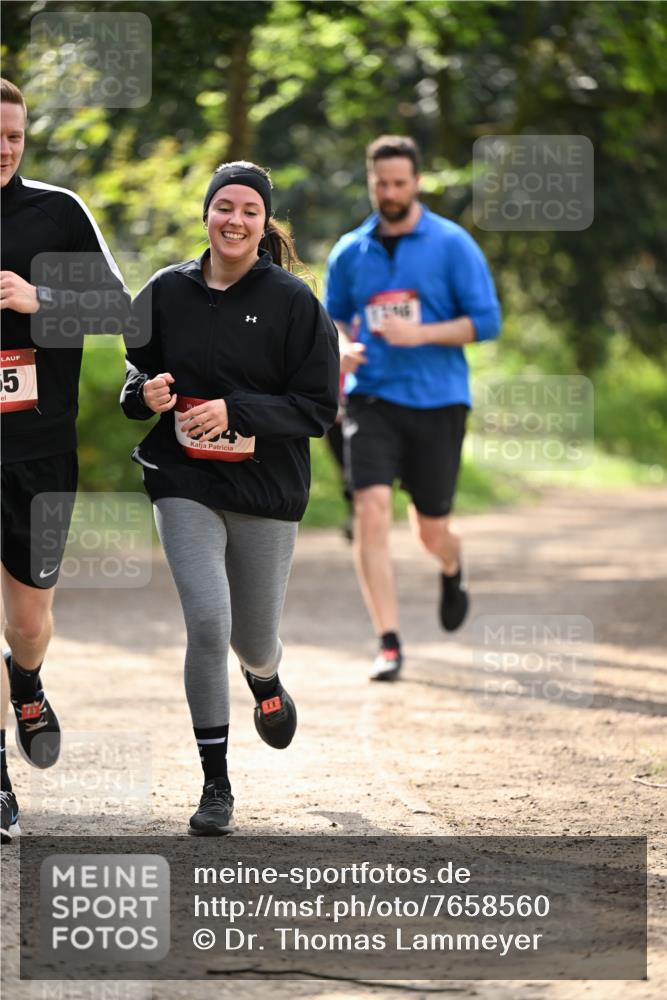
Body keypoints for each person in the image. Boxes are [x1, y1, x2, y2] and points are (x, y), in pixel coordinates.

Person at [121, 161, 339, 835]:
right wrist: (142, 395)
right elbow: (136, 374)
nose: (234, 220)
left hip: (265, 489)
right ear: (207, 214)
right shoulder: (165, 290)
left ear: (262, 222)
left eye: (248, 210)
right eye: (224, 207)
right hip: (182, 480)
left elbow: (318, 408)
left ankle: (266, 679)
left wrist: (235, 411)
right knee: (208, 625)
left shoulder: (293, 302)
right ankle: (216, 785)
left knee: (251, 638)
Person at [0, 80, 131, 844]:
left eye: (14, 137)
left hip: (41, 451)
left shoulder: (59, 212)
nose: (6, 150)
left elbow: (122, 309)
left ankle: (27, 682)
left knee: (30, 619)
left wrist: (38, 298)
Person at [324, 135, 501, 682]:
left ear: (416, 182)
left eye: (400, 183)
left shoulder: (452, 244)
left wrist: (422, 333)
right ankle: (389, 642)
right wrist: (340, 346)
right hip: (372, 400)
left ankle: (451, 564)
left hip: (438, 402)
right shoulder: (350, 251)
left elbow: (486, 321)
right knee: (371, 509)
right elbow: (332, 319)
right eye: (381, 183)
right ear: (370, 181)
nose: (390, 192)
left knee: (430, 529)